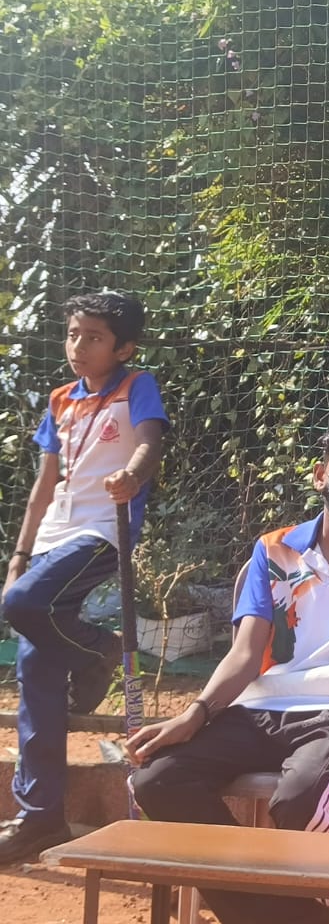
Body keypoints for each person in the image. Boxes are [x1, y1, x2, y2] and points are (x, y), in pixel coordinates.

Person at [128, 414, 329, 924]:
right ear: (319, 475)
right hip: (261, 712)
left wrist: (266, 685)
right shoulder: (274, 549)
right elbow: (245, 654)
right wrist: (196, 714)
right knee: (157, 779)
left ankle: (289, 912)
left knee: (301, 796)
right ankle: (290, 916)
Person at [0, 291, 168, 863]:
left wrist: (132, 475)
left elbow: (150, 443)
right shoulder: (60, 399)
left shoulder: (136, 385)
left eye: (94, 337)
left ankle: (100, 651)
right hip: (54, 532)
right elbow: (45, 483)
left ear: (123, 347)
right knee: (35, 670)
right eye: (74, 334)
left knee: (25, 605)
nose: (79, 345)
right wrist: (20, 553)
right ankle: (41, 817)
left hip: (102, 530)